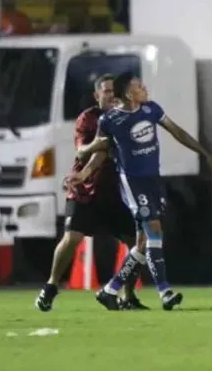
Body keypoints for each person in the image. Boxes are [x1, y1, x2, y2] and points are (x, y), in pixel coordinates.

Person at [71, 72, 212, 311]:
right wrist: (84, 172)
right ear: (129, 93)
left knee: (141, 244)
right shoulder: (110, 120)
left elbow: (177, 131)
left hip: (153, 180)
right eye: (139, 86)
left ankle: (109, 291)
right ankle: (165, 292)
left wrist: (205, 153)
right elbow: (99, 152)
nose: (145, 88)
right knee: (155, 231)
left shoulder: (150, 110)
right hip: (133, 183)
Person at [35, 75, 144, 313]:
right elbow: (84, 152)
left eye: (114, 91)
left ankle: (128, 295)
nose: (111, 95)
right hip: (86, 191)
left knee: (136, 243)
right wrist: (104, 143)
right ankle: (51, 286)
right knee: (72, 238)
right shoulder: (88, 118)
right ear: (97, 96)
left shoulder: (127, 117)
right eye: (105, 91)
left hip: (115, 192)